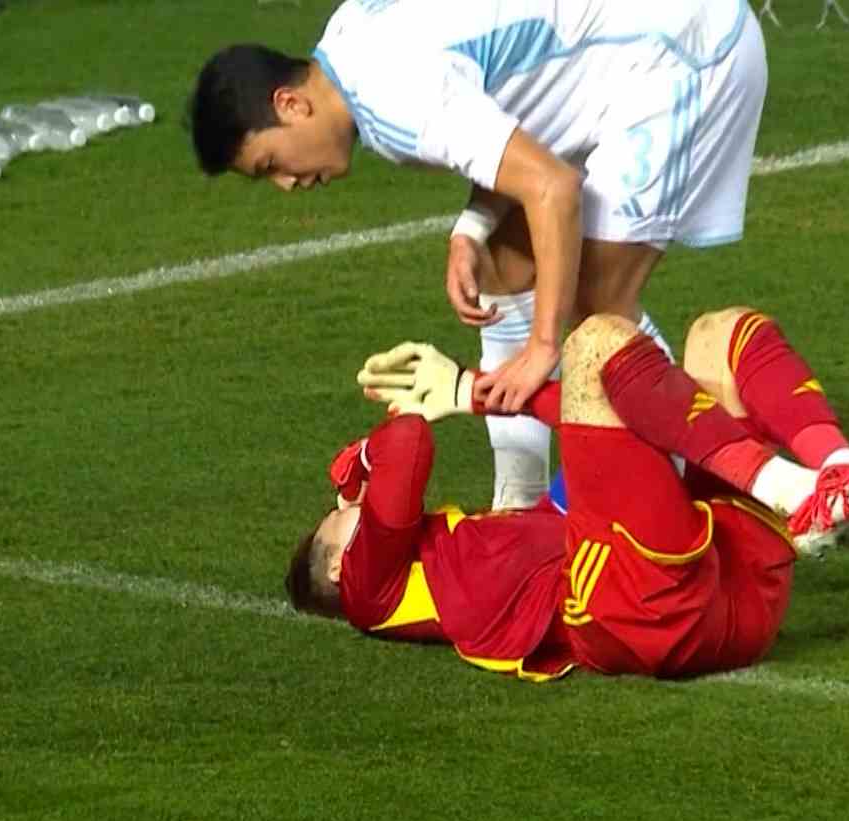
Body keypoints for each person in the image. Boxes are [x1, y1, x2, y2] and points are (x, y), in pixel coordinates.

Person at [189, 0, 770, 510]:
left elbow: (552, 188)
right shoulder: (349, 39)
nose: (287, 184)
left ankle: (743, 488)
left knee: (598, 309)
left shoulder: (394, 100)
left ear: (291, 104)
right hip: (637, 47)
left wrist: (543, 348)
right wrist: (472, 226)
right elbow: (510, 108)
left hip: (687, 53)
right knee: (501, 265)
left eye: (271, 164)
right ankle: (518, 504)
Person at [285, 309, 849, 680]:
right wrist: (360, 466)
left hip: (719, 596)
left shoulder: (491, 545)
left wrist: (470, 390)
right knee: (596, 343)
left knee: (718, 335)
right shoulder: (371, 592)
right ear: (340, 564)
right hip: (631, 613)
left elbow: (606, 429)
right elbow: (407, 445)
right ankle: (801, 492)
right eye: (337, 521)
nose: (350, 510)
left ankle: (840, 474)